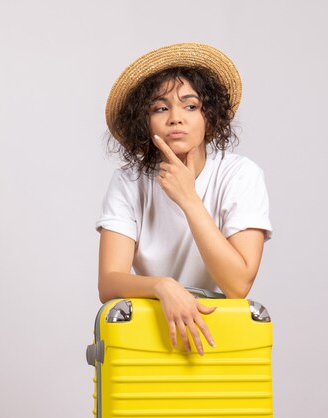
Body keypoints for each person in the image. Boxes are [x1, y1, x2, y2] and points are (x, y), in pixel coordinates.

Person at [96, 43, 272, 356]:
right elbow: (108, 283)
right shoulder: (128, 181)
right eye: (160, 108)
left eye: (190, 106)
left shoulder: (241, 175)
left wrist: (189, 199)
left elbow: (238, 285)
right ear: (144, 121)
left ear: (210, 117)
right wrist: (164, 286)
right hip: (148, 333)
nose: (176, 118)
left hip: (220, 335)